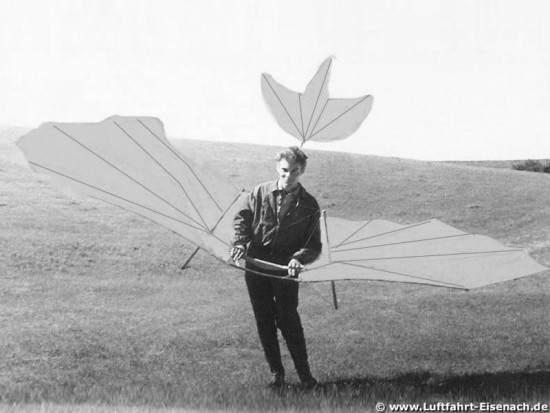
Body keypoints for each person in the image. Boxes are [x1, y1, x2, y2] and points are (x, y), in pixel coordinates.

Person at [230, 146, 322, 388]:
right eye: (284, 170)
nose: (288, 176)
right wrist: (239, 243)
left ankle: (305, 376)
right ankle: (276, 374)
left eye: (295, 171)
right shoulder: (259, 192)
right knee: (264, 319)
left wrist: (298, 258)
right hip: (256, 264)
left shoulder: (309, 204)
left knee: (288, 319)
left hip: (285, 269)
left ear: (302, 171)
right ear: (277, 168)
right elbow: (242, 220)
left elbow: (314, 244)